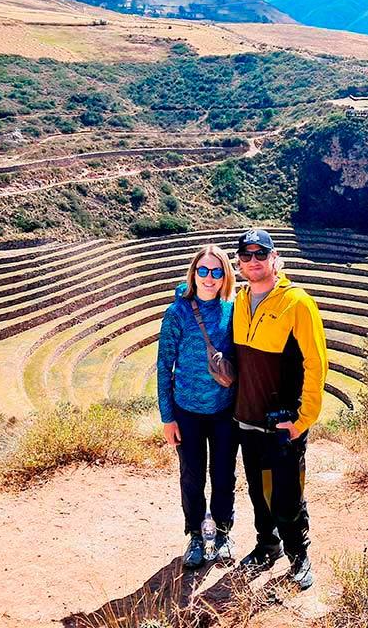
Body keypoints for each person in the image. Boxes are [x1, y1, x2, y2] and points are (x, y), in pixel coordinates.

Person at [232, 228, 328, 590]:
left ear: (274, 259)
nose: (254, 262)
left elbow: (316, 363)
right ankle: (266, 545)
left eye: (261, 255)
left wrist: (303, 419)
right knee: (258, 490)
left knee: (287, 493)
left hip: (283, 421)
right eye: (247, 256)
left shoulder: (297, 303)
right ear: (239, 262)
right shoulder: (240, 300)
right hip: (247, 417)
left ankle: (299, 554)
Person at [157, 244, 238, 569]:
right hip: (187, 411)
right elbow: (164, 366)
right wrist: (168, 418)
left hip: (224, 412)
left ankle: (221, 533)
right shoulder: (177, 313)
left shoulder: (232, 310)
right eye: (202, 270)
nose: (208, 277)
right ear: (193, 273)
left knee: (224, 476)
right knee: (191, 477)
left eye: (216, 271)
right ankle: (194, 535)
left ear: (224, 276)